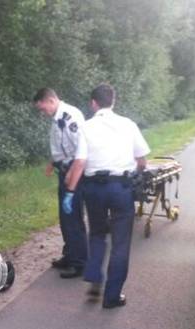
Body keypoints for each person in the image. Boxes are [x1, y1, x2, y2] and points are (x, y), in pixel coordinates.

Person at [64, 83, 150, 309]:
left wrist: (70, 191)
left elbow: (80, 162)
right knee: (121, 243)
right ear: (114, 102)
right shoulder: (128, 124)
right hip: (121, 188)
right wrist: (136, 173)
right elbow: (142, 159)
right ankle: (112, 297)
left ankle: (94, 275)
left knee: (97, 233)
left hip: (94, 188)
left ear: (93, 103)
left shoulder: (87, 127)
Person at [33, 88, 88, 279]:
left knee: (73, 218)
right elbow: (61, 147)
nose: (43, 112)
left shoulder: (70, 116)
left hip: (74, 171)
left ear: (51, 100)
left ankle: (79, 262)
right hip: (64, 169)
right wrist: (52, 162)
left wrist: (72, 172)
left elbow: (81, 150)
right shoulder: (57, 118)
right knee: (65, 218)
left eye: (43, 108)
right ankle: (70, 254)